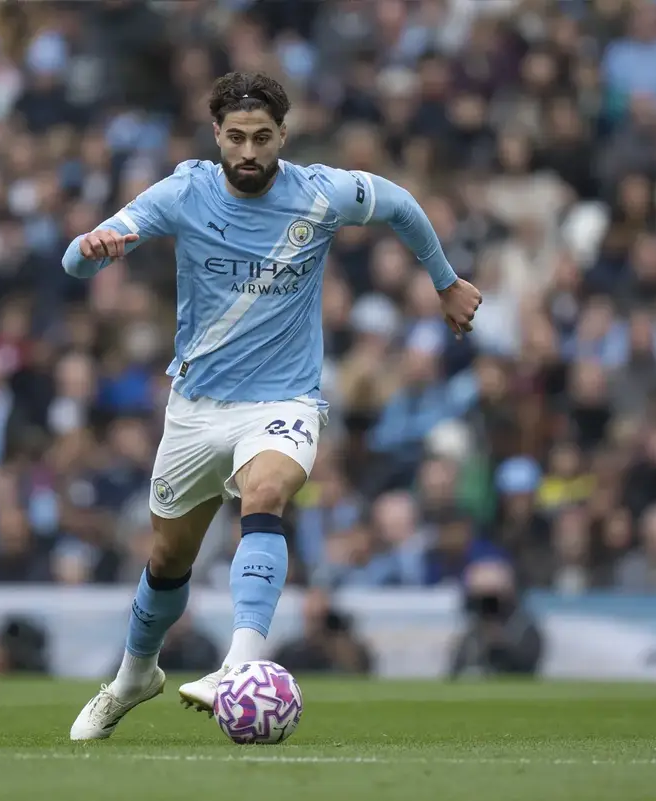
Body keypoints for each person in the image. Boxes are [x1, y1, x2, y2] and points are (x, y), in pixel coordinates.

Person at [65, 72, 481, 740]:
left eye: (262, 137)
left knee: (265, 495)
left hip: (284, 400)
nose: (249, 151)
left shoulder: (319, 193)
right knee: (168, 558)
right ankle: (134, 676)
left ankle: (239, 663)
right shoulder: (184, 193)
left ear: (283, 136)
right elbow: (74, 261)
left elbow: (401, 203)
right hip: (197, 407)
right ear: (216, 135)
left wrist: (446, 281)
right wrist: (93, 252)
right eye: (236, 137)